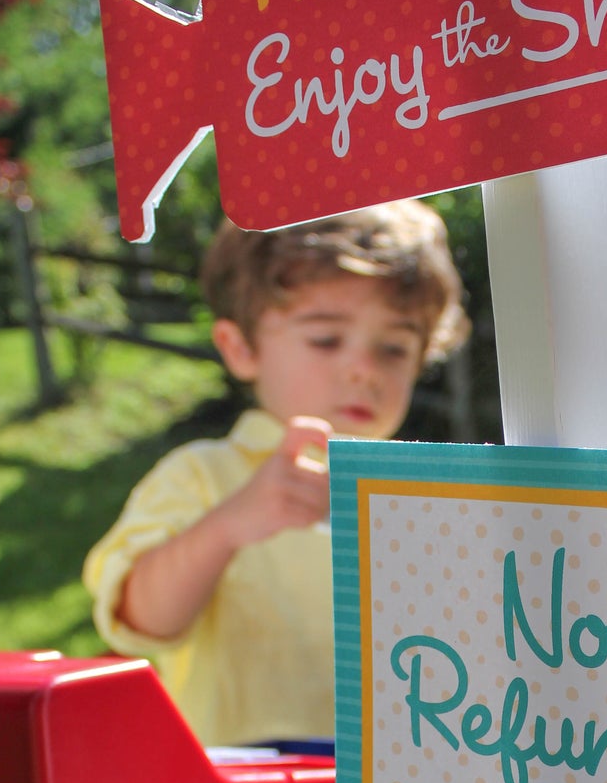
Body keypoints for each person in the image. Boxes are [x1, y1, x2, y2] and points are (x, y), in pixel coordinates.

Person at [83, 200, 469, 746]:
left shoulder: (421, 498)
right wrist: (231, 524)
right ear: (240, 349)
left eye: (395, 347)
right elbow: (139, 620)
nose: (364, 368)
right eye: (325, 339)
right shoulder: (204, 475)